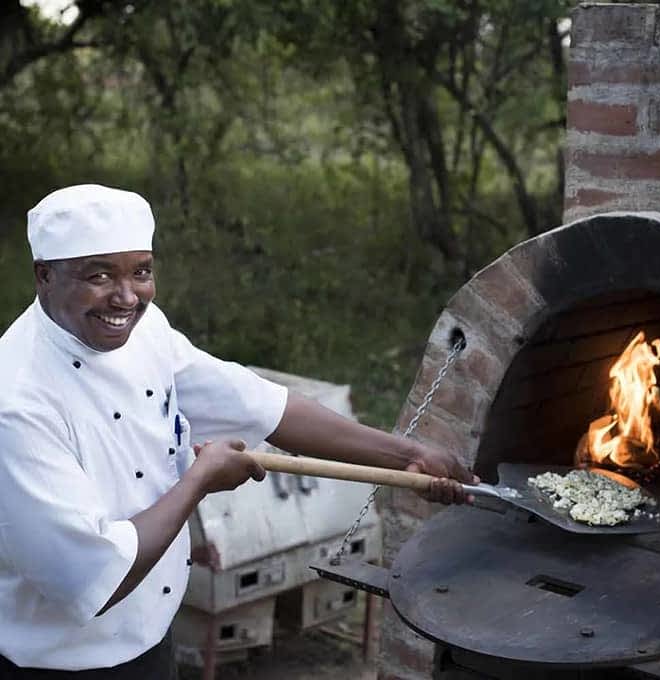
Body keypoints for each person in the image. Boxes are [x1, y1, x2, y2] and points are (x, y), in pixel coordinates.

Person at [0, 184, 477, 678]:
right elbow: (91, 577)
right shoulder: (17, 403)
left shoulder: (145, 331)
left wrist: (406, 455)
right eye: (98, 275)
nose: (126, 297)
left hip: (152, 637)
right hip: (62, 663)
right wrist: (198, 481)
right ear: (44, 276)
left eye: (141, 271)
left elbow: (261, 405)